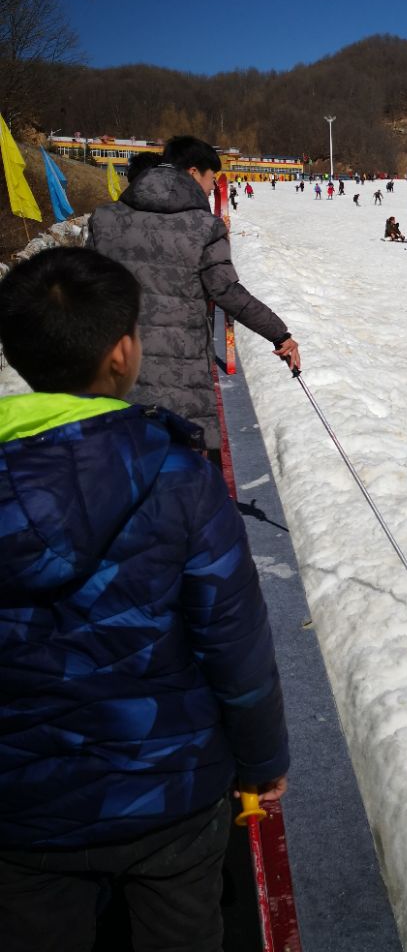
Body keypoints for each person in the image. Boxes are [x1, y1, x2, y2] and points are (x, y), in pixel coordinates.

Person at [0, 247, 288, 952]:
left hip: (23, 808)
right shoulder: (177, 475)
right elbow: (234, 640)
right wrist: (263, 760)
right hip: (172, 792)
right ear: (124, 352)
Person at [87, 136, 300, 462]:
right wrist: (280, 333)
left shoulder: (105, 219)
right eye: (211, 178)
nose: (214, 187)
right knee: (189, 481)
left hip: (115, 373)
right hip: (180, 382)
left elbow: (85, 291)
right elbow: (226, 291)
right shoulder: (204, 227)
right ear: (192, 171)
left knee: (126, 475)